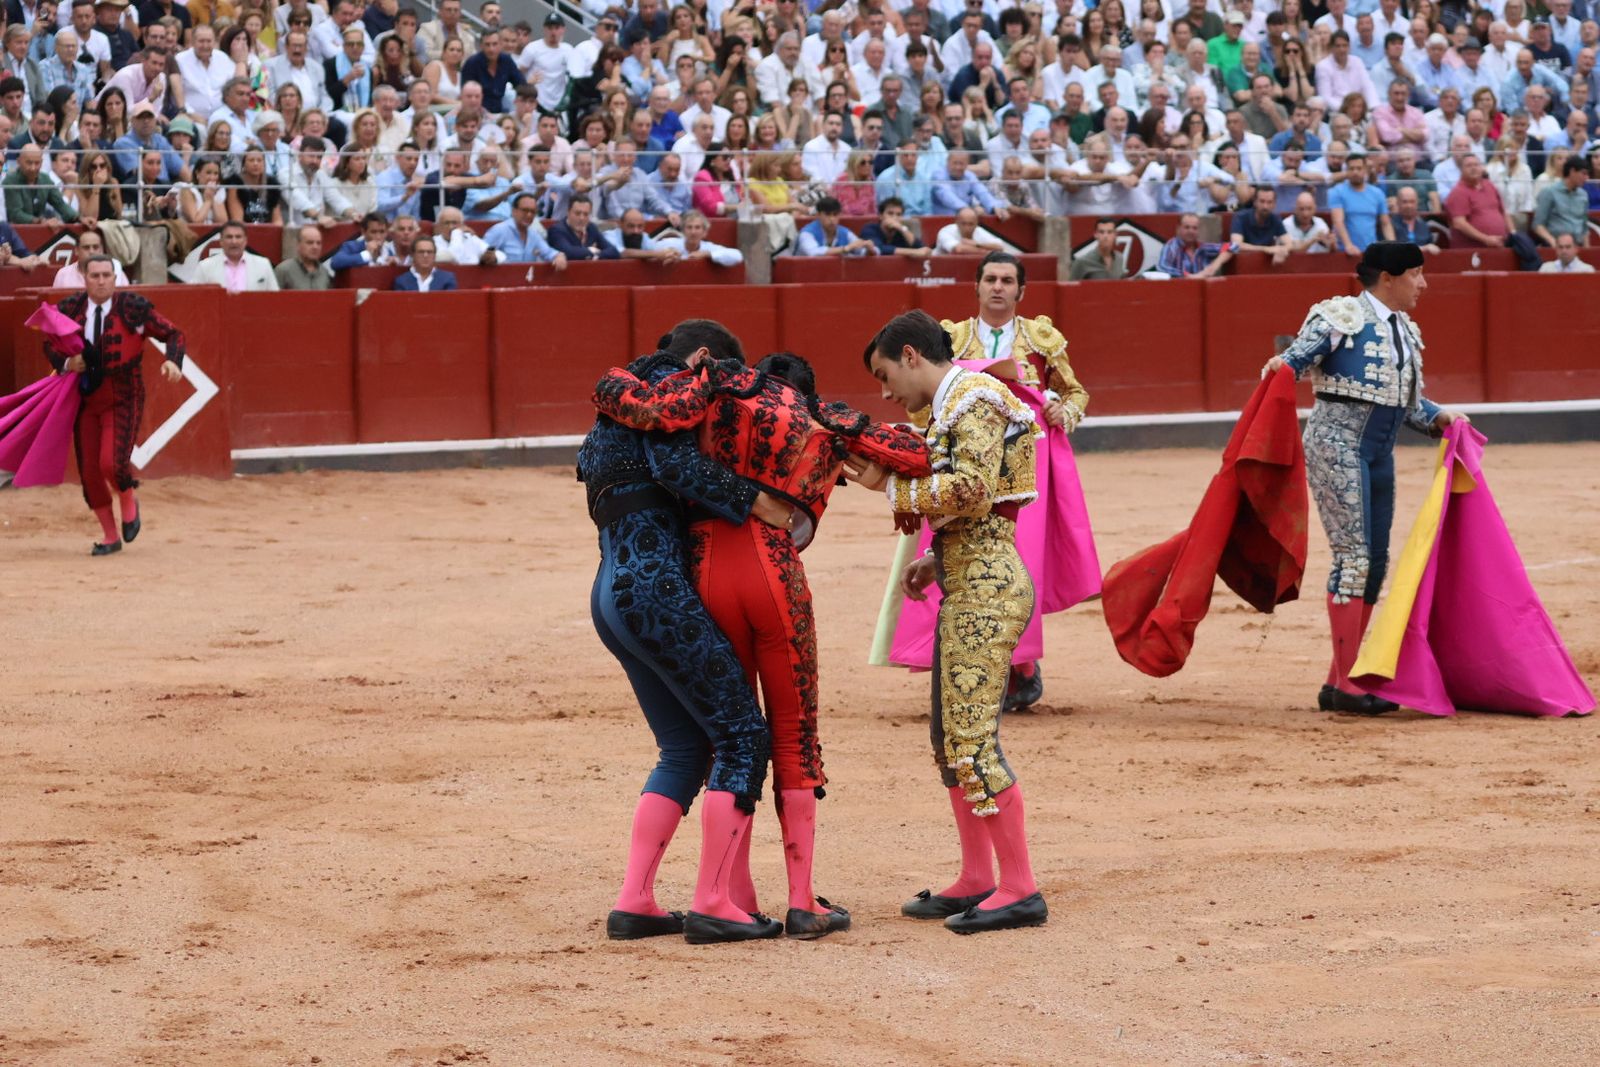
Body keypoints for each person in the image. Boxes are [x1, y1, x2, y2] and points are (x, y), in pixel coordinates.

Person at [593, 327, 931, 942]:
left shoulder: (704, 396)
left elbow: (662, 443)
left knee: (726, 736)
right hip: (768, 573)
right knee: (787, 734)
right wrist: (884, 473)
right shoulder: (820, 416)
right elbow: (916, 455)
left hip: (695, 573)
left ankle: (735, 892)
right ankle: (799, 900)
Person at [577, 325, 780, 945]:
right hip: (655, 592)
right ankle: (714, 900)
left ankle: (635, 900)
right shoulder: (670, 390)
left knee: (686, 748)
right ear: (705, 363)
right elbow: (673, 461)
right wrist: (758, 502)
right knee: (745, 735)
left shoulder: (613, 409)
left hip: (610, 593)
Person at [848, 309, 1047, 934]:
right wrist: (935, 560)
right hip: (968, 580)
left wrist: (891, 488)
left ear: (910, 356)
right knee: (948, 738)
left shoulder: (975, 398)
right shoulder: (958, 401)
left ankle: (1020, 888)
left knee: (969, 736)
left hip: (989, 592)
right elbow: (979, 511)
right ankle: (978, 876)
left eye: (885, 376)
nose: (885, 394)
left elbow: (974, 490)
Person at [1263, 242, 1466, 714]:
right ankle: (1351, 684)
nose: (1424, 283)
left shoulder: (1406, 330)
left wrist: (1441, 419)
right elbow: (1294, 361)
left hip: (1378, 452)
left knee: (1375, 561)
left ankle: (1340, 680)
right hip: (1336, 446)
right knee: (1354, 559)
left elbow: (1409, 403)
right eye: (1417, 274)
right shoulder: (1340, 316)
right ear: (1389, 277)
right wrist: (1283, 366)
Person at [43, 255, 186, 555]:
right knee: (90, 473)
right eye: (95, 275)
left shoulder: (133, 307)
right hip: (84, 399)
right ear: (85, 278)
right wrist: (67, 362)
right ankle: (110, 536)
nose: (101, 281)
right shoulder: (70, 308)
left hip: (124, 395)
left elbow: (173, 333)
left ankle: (127, 495)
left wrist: (173, 361)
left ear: (115, 277)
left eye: (107, 275)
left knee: (111, 462)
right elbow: (48, 341)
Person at [1329, 149, 1393, 252]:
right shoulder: (1337, 191)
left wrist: (1393, 245)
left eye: (1359, 168)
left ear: (1365, 170)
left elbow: (1386, 223)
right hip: (1345, 252)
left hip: (1371, 252)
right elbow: (1338, 222)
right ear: (1346, 171)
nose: (1355, 172)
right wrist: (1348, 245)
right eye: (1351, 168)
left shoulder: (1377, 193)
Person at [192, 220, 279, 292]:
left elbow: (274, 298)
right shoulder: (205, 266)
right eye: (229, 237)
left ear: (245, 241)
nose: (234, 241)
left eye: (238, 237)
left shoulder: (263, 264)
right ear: (221, 241)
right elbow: (193, 298)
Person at [4, 141, 77, 223]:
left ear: (42, 162)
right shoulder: (10, 181)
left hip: (40, 230)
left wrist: (78, 218)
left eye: (37, 163)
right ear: (19, 162)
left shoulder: (45, 179)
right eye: (29, 163)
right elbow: (15, 214)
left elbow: (61, 204)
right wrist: (40, 221)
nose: (33, 168)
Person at [1157, 211, 1234, 276]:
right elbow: (1162, 267)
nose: (1191, 231)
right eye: (1187, 227)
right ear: (1178, 229)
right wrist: (1188, 276)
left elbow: (1232, 246)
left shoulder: (1203, 248)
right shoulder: (1172, 246)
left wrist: (1215, 265)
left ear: (1199, 230)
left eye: (1195, 228)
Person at [654, 209, 742, 266]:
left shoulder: (708, 247)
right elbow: (645, 250)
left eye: (697, 227)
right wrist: (663, 254)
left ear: (704, 232)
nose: (693, 232)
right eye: (689, 227)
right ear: (683, 231)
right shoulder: (670, 243)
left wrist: (707, 254)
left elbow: (738, 256)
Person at [547, 194, 619, 260]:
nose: (582, 218)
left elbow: (613, 251)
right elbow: (568, 252)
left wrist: (597, 255)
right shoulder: (557, 230)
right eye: (577, 213)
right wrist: (590, 250)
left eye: (586, 214)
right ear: (568, 212)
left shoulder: (591, 228)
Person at [1230, 185, 1291, 263]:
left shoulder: (1275, 218)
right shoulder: (1240, 217)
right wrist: (1265, 249)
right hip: (1243, 263)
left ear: (1274, 204)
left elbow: (1289, 243)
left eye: (1269, 202)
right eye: (1262, 201)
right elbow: (1236, 245)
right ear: (1255, 202)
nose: (1265, 206)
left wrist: (1282, 251)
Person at [797, 195, 874, 256]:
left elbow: (863, 252)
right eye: (827, 214)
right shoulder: (807, 233)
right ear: (818, 215)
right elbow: (813, 253)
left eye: (835, 214)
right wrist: (845, 248)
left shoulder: (845, 233)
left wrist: (869, 250)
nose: (832, 219)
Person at [51, 229, 128, 287]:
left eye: (95, 247)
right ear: (77, 250)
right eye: (86, 247)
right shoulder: (63, 274)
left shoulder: (116, 269)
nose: (91, 251)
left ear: (102, 249)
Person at [274, 224, 333, 290]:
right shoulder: (284, 270)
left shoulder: (324, 272)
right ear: (298, 245)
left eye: (318, 243)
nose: (315, 247)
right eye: (310, 243)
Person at [391, 235, 456, 290]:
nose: (425, 255)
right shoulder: (401, 281)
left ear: (434, 255)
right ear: (412, 255)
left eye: (429, 252)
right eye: (421, 252)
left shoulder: (447, 278)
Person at [936, 206, 1004, 254]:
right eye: (963, 223)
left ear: (976, 223)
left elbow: (999, 246)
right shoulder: (946, 231)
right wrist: (987, 253)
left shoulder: (979, 231)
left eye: (971, 224)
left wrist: (977, 244)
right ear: (956, 222)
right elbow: (959, 249)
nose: (967, 228)